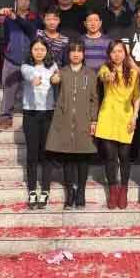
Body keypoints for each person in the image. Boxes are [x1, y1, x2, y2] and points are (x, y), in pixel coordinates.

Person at [46, 41, 99, 210]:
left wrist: (93, 120)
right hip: (65, 120)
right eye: (72, 51)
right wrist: (53, 79)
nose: (76, 54)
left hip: (84, 121)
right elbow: (53, 79)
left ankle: (81, 192)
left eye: (79, 51)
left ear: (84, 54)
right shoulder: (62, 72)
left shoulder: (90, 73)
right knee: (68, 158)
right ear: (68, 54)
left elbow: (94, 99)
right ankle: (70, 193)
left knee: (83, 157)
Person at [95, 40, 140, 209]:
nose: (117, 55)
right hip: (107, 116)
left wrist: (135, 117)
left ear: (125, 53)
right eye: (113, 51)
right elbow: (103, 76)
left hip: (126, 117)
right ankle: (113, 190)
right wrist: (110, 76)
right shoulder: (105, 68)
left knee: (124, 156)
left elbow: (137, 96)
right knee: (110, 156)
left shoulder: (133, 73)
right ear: (109, 54)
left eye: (120, 51)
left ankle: (124, 190)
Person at [20, 38, 59, 209]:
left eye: (42, 49)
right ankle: (32, 190)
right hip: (30, 114)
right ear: (31, 51)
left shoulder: (53, 66)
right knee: (32, 155)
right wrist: (34, 80)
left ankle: (45, 189)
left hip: (48, 113)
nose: (39, 52)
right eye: (36, 49)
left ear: (47, 51)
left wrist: (57, 78)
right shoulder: (25, 66)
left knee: (46, 154)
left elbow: (58, 77)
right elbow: (29, 75)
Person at [0, 0, 43, 132]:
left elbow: (32, 31)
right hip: (11, 60)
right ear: (16, 1)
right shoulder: (8, 18)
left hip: (30, 61)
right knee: (8, 90)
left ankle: (32, 121)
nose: (24, 1)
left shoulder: (35, 18)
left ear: (30, 2)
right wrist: (8, 51)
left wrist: (15, 17)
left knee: (32, 91)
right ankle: (5, 119)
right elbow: (6, 37)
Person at [4, 6, 70, 67]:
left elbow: (65, 63)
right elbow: (23, 23)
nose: (52, 22)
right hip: (36, 73)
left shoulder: (64, 40)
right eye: (48, 19)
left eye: (55, 19)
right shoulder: (37, 34)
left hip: (57, 73)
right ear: (44, 20)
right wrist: (11, 14)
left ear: (59, 21)